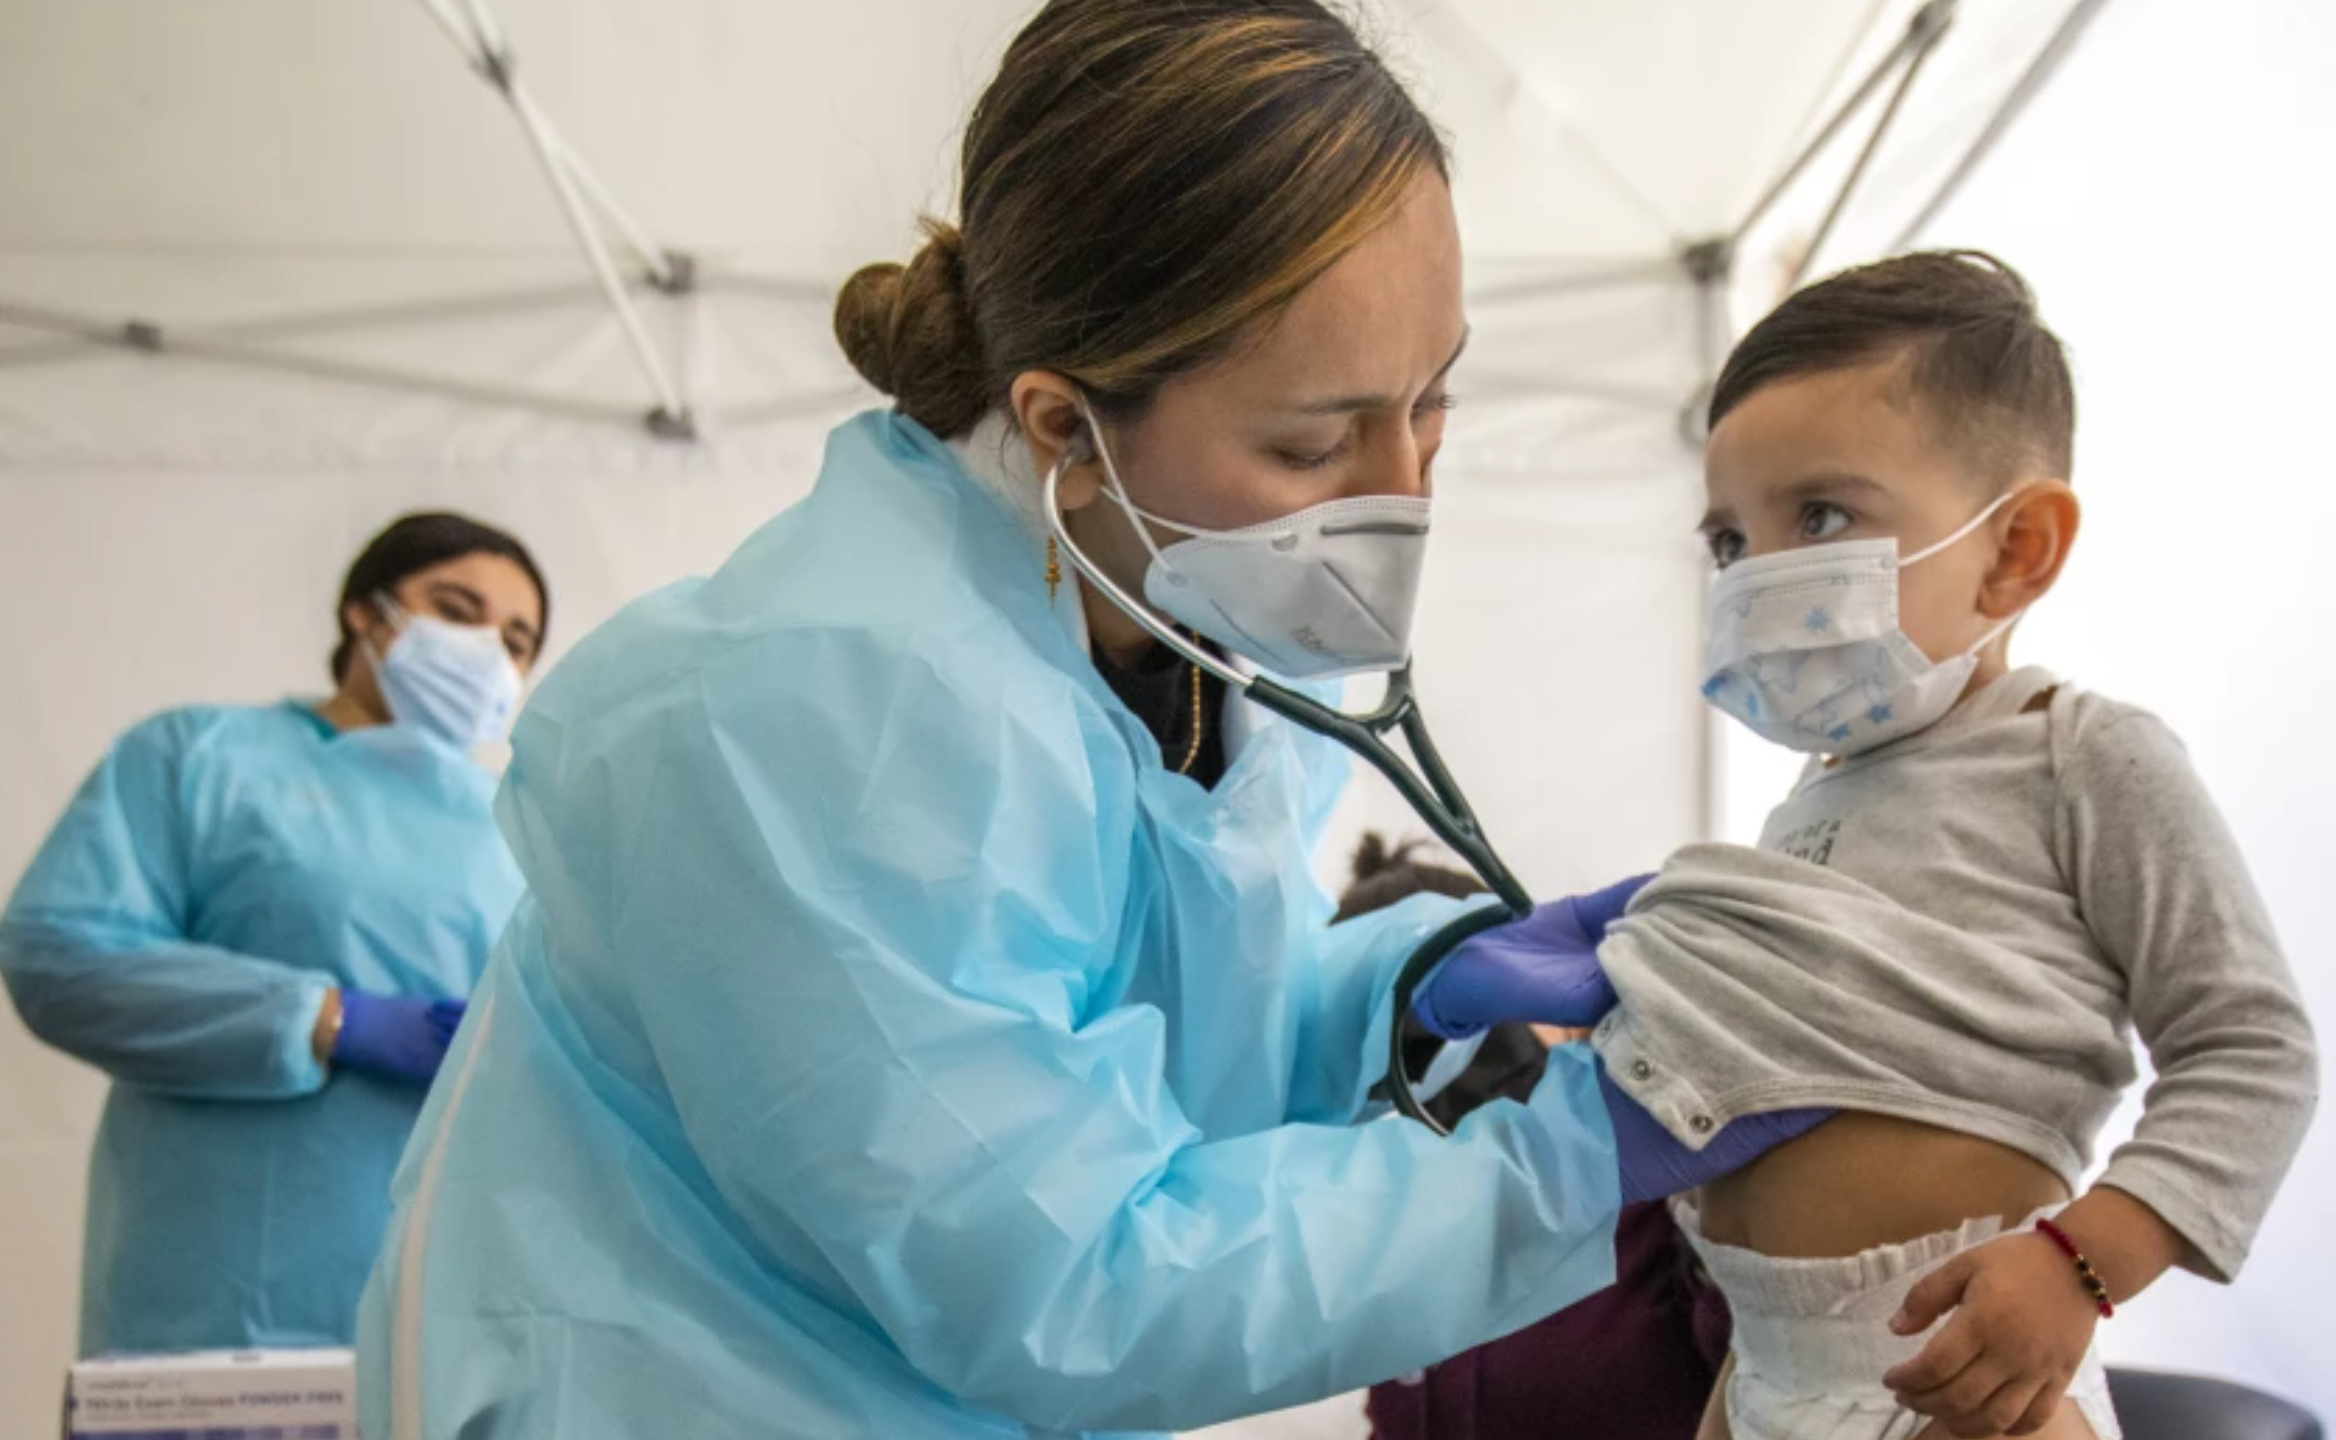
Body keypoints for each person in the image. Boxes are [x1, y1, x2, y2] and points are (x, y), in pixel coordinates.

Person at [353, 5, 1820, 1437]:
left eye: (1433, 403)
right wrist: (1566, 1165)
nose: (1404, 493)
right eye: (1314, 440)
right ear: (1064, 424)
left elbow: (1163, 1070)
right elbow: (1074, 1285)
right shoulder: (815, 721)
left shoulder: (1187, 623)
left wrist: (1406, 986)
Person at [1577, 251, 2319, 1439]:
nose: (1758, 574)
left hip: (1976, 1393)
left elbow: (2253, 1050)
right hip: (1764, 1369)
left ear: (2016, 546)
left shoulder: (2080, 755)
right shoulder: (1808, 799)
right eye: (1728, 541)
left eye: (1818, 516)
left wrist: (2083, 1264)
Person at [1, 511, 548, 1356]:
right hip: (218, 1295)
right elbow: (61, 953)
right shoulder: (200, 757)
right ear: (364, 613)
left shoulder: (516, 831)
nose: (486, 652)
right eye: (456, 608)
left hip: (456, 1310)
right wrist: (330, 1018)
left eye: (516, 640)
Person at [1338, 834, 1733, 1440]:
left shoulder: (1657, 1190)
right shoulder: (1390, 1230)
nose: (1458, 1060)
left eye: (1466, 1016)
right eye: (1412, 1037)